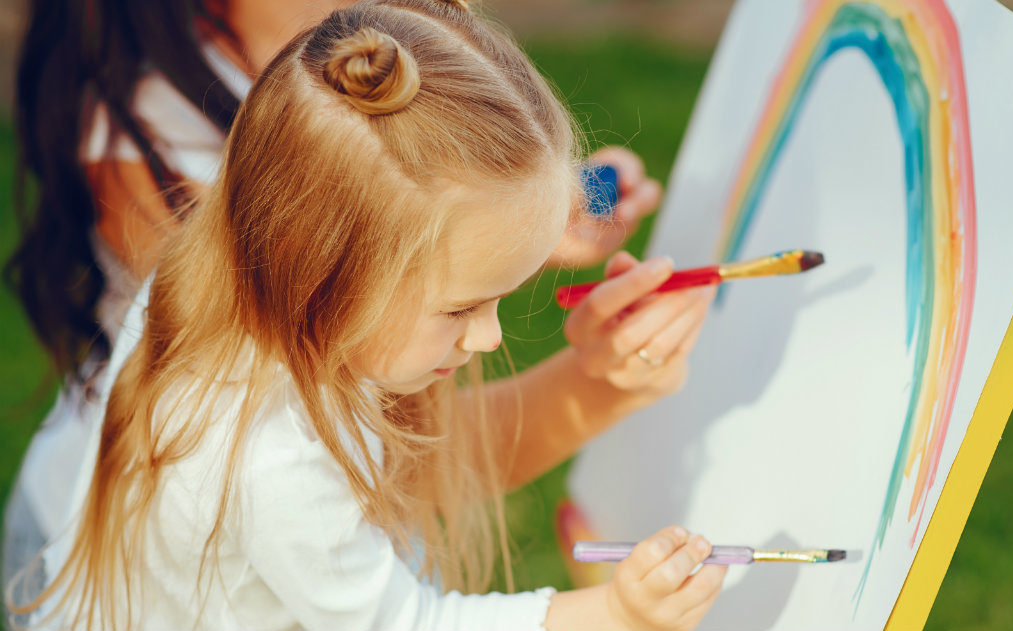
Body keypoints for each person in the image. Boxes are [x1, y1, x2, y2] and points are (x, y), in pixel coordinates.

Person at [10, 1, 724, 629]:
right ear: (326, 273)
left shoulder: (241, 281)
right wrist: (618, 614)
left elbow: (407, 465)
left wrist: (530, 238)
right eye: (464, 305)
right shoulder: (272, 453)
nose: (492, 335)